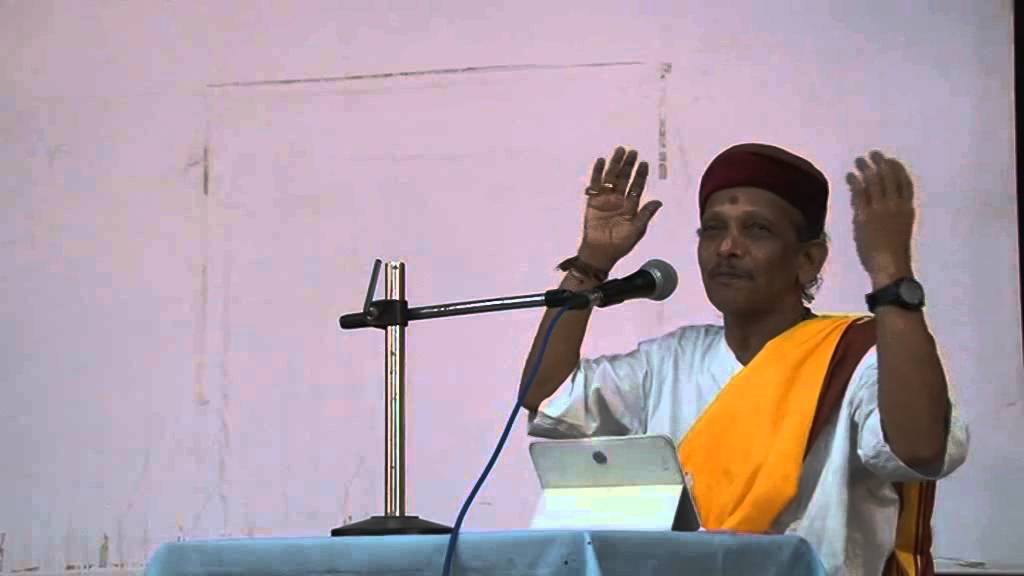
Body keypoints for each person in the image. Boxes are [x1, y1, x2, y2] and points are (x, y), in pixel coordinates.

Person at [520, 144, 969, 576]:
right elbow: (546, 395)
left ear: (809, 259)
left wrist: (890, 271)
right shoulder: (670, 361)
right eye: (713, 229)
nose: (727, 248)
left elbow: (921, 449)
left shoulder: (857, 357)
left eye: (757, 229)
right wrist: (591, 264)